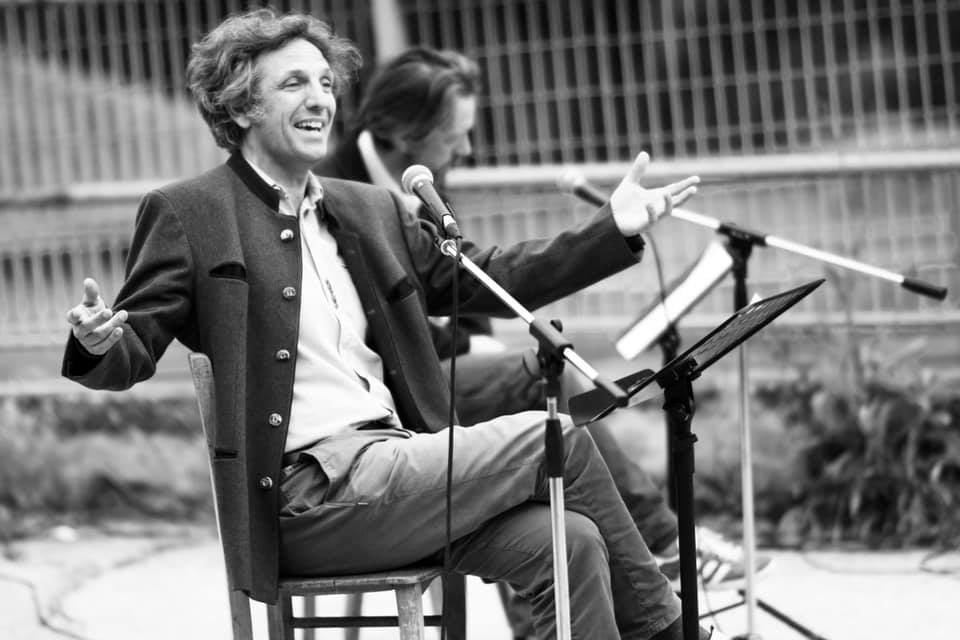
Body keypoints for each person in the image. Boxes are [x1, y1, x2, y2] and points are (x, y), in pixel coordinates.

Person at [62, 9, 710, 639]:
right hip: (306, 499)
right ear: (240, 106)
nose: (320, 98)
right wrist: (98, 341)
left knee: (572, 542)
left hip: (400, 465)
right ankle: (672, 631)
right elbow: (132, 344)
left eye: (325, 82)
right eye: (294, 83)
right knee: (555, 437)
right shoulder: (191, 213)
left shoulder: (370, 209)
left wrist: (610, 230)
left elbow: (488, 277)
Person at [316, 46, 770, 637]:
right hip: (386, 410)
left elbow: (468, 278)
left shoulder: (418, 180)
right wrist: (462, 350)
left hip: (442, 378)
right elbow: (368, 332)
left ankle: (606, 594)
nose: (468, 149)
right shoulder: (334, 193)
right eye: (456, 134)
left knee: (542, 397)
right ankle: (660, 547)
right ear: (405, 132)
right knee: (533, 390)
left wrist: (609, 230)